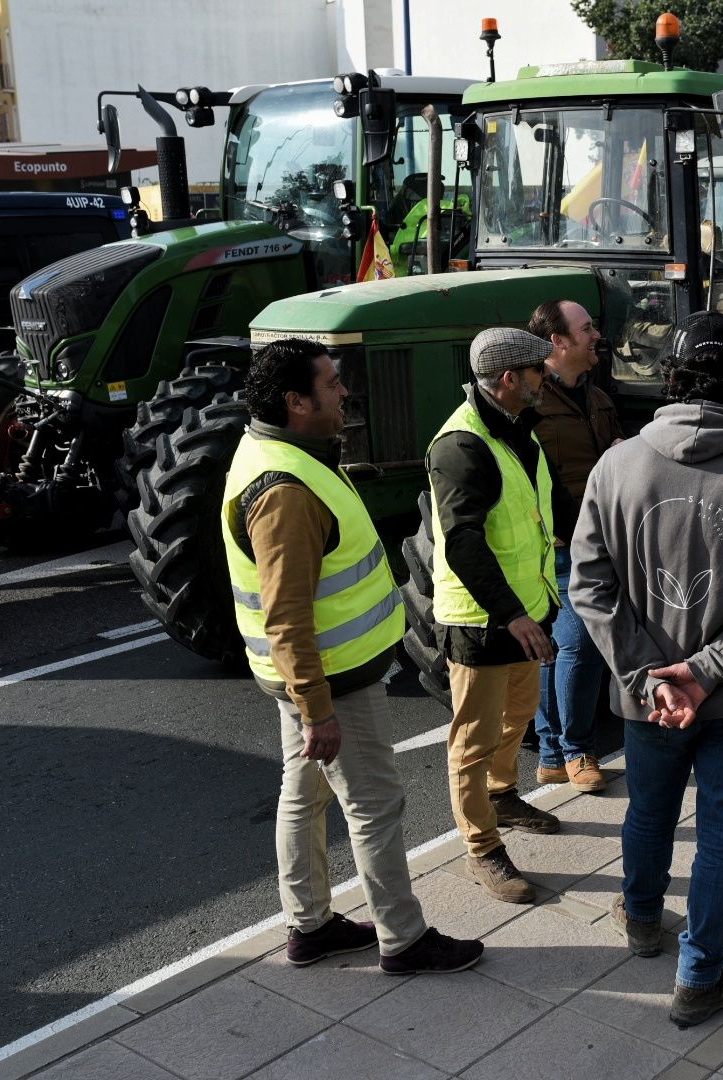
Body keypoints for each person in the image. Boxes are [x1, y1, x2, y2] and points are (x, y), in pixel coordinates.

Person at [571, 311, 723, 1029]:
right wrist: (708, 672)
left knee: (647, 809)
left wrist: (653, 673)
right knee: (722, 835)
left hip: (647, 697)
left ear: (670, 379)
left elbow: (588, 585)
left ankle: (643, 920)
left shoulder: (617, 464)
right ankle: (699, 974)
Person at [221, 338, 484, 976]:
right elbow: (287, 616)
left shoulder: (277, 451)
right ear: (296, 401)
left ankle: (309, 926)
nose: (344, 393)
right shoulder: (284, 491)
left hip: (309, 680)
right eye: (332, 384)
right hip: (330, 683)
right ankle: (404, 937)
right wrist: (317, 710)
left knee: (304, 793)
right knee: (374, 804)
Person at [427, 327, 574, 904]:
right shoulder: (462, 446)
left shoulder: (519, 431)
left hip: (525, 611)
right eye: (538, 370)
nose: (546, 376)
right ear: (509, 379)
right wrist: (511, 614)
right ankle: (482, 848)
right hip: (483, 619)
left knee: (520, 711)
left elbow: (552, 506)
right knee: (474, 735)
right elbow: (462, 541)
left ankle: (502, 792)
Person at [527, 299, 622, 793]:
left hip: (598, 539)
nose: (595, 336)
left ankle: (552, 753)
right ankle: (574, 749)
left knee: (563, 648)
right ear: (557, 342)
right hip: (557, 546)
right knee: (575, 646)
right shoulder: (531, 403)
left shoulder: (597, 395)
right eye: (586, 329)